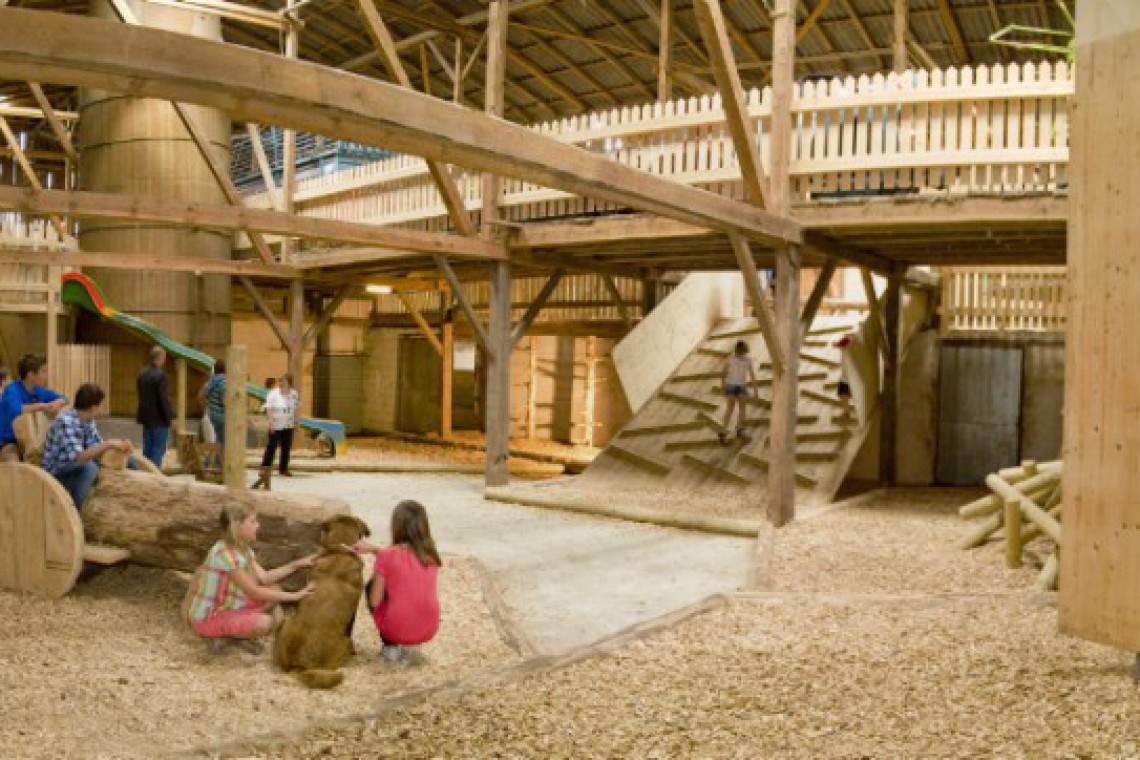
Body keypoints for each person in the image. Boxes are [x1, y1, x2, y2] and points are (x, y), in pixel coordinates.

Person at [184, 504, 317, 652]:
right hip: (208, 618)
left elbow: (265, 578)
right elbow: (253, 592)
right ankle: (227, 635)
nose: (258, 526)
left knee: (274, 591)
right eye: (253, 521)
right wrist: (295, 596)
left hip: (229, 604)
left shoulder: (243, 548)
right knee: (265, 623)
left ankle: (239, 628)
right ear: (237, 526)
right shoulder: (225, 554)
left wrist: (297, 564)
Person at [352, 500, 441, 665]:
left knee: (371, 586)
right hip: (429, 629)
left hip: (397, 630)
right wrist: (373, 549)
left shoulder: (387, 556)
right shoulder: (432, 554)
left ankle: (390, 647)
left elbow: (375, 601)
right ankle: (413, 646)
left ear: (396, 525)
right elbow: (405, 562)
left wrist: (379, 561)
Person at [40, 383, 137, 511]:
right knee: (90, 468)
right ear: (93, 407)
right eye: (99, 406)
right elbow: (79, 457)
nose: (100, 410)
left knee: (129, 459)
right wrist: (109, 444)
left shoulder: (87, 420)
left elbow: (97, 447)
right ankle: (77, 512)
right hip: (58, 473)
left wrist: (120, 446)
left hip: (78, 466)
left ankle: (133, 499)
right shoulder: (65, 422)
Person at [0, 354, 68, 462]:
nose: (47, 375)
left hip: (34, 440)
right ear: (31, 375)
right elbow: (17, 409)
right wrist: (42, 406)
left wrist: (57, 403)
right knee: (12, 460)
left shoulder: (39, 390)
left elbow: (64, 398)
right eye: (43, 371)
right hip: (10, 441)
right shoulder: (11, 389)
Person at [136, 346, 173, 469]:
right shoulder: (160, 375)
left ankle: (144, 474)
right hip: (159, 418)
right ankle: (154, 476)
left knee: (147, 448)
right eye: (164, 357)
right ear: (160, 358)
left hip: (146, 417)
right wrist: (170, 418)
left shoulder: (141, 373)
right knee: (158, 449)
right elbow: (164, 400)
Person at [719, 340, 758, 444]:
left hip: (741, 386)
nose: (742, 355)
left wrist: (755, 390)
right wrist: (723, 387)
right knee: (730, 409)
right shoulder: (730, 359)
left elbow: (752, 375)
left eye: (744, 353)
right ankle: (722, 433)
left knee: (742, 409)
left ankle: (740, 430)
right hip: (730, 386)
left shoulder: (748, 360)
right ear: (737, 351)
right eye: (741, 353)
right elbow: (723, 374)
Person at [261, 373, 299, 478]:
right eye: (280, 381)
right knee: (271, 447)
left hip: (288, 424)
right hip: (276, 424)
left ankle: (283, 469)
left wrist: (297, 421)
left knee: (286, 448)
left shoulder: (294, 394)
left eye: (283, 381)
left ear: (289, 383)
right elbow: (268, 409)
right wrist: (270, 423)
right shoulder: (273, 394)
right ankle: (265, 468)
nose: (281, 383)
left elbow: (296, 408)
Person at [198, 360, 226, 445]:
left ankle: (212, 458)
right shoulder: (224, 382)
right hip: (221, 417)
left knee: (212, 443)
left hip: (210, 415)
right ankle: (217, 459)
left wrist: (204, 409)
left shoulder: (210, 382)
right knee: (222, 443)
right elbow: (225, 401)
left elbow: (200, 396)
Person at [835, 334, 856, 424]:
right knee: (843, 396)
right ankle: (846, 412)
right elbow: (842, 363)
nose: (840, 348)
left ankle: (847, 412)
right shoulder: (844, 352)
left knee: (844, 396)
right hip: (844, 379)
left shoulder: (849, 354)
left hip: (848, 379)